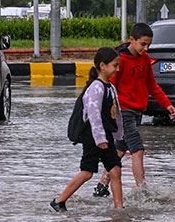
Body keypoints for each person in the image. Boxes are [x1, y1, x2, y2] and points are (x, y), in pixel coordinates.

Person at [94, 22, 175, 197]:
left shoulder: (145, 59)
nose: (145, 48)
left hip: (137, 111)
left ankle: (101, 186)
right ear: (132, 39)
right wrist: (111, 109)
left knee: (120, 149)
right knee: (138, 150)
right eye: (143, 44)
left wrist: (167, 104)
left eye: (148, 45)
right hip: (123, 112)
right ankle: (142, 191)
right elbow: (111, 86)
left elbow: (152, 86)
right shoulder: (120, 61)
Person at [50, 47, 125, 212]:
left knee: (115, 170)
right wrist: (100, 139)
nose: (117, 69)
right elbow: (93, 115)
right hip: (94, 137)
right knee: (87, 172)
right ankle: (59, 201)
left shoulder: (110, 88)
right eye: (115, 65)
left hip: (106, 137)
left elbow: (115, 113)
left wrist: (119, 135)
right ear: (103, 66)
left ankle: (119, 208)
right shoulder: (96, 88)